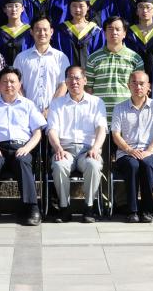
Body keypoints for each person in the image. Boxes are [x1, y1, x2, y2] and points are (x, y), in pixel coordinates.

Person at [0, 66, 47, 226]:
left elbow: (38, 133)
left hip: (22, 148)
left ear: (19, 84)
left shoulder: (28, 105)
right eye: (4, 81)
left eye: (12, 81)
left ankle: (32, 208)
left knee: (23, 161)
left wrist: (27, 148)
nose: (9, 85)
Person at [46, 65, 107, 223]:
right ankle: (64, 208)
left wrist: (95, 148)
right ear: (65, 82)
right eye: (70, 78)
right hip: (65, 149)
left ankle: (89, 208)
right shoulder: (56, 104)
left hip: (88, 150)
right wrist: (58, 148)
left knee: (93, 164)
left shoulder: (96, 102)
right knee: (59, 165)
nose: (74, 82)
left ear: (85, 80)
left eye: (77, 78)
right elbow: (51, 130)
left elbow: (101, 128)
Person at [110, 70, 153, 223]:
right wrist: (129, 150)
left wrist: (149, 151)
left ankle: (146, 210)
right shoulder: (119, 108)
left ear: (149, 86)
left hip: (150, 151)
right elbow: (115, 134)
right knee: (132, 165)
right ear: (128, 86)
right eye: (134, 83)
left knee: (147, 164)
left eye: (142, 84)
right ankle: (132, 210)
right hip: (126, 152)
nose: (138, 87)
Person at [86, 16, 145, 120]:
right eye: (110, 29)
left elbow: (140, 89)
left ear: (124, 33)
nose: (114, 32)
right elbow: (88, 89)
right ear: (104, 33)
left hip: (127, 115)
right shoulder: (93, 58)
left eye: (118, 29)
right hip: (100, 115)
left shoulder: (135, 58)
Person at [13, 15, 70, 117]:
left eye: (45, 29)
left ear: (51, 31)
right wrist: (28, 109)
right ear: (31, 32)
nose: (42, 33)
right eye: (38, 30)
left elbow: (63, 85)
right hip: (26, 115)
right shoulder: (21, 58)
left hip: (54, 114)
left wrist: (49, 110)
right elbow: (17, 86)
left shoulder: (61, 58)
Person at [53, 0, 105, 68]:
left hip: (91, 73)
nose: (77, 9)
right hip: (66, 73)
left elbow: (100, 55)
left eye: (81, 6)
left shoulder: (96, 31)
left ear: (88, 7)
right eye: (74, 6)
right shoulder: (61, 30)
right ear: (69, 7)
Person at [0, 0, 33, 64]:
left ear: (22, 8)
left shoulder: (30, 32)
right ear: (4, 9)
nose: (14, 9)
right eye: (10, 6)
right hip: (4, 70)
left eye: (17, 6)